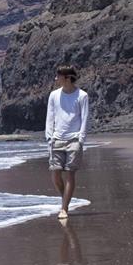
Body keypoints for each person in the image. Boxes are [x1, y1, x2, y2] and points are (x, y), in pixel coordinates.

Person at [46, 65, 89, 219]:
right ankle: (65, 199)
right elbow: (50, 117)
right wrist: (49, 137)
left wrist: (81, 139)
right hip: (56, 140)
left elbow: (84, 118)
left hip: (74, 140)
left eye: (58, 76)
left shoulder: (82, 95)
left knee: (70, 174)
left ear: (67, 77)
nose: (56, 79)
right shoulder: (54, 95)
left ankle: (64, 208)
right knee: (55, 175)